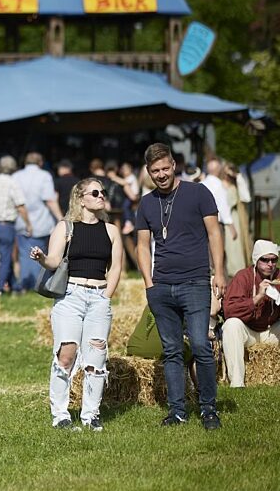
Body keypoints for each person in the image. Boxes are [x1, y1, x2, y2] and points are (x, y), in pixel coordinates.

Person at [135, 142, 225, 430]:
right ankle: (177, 411)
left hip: (196, 281)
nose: (160, 174)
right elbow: (141, 245)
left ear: (174, 165)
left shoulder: (198, 193)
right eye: (154, 171)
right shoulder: (147, 202)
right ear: (148, 172)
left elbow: (215, 234)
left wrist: (219, 273)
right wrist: (149, 283)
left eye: (164, 168)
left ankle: (209, 409)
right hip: (161, 286)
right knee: (172, 350)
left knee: (200, 344)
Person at [30, 179, 124, 431]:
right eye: (95, 192)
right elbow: (53, 262)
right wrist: (41, 258)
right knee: (66, 354)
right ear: (81, 199)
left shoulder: (112, 230)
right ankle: (60, 414)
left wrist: (107, 295)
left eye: (102, 192)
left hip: (98, 296)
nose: (101, 195)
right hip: (70, 296)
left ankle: (90, 414)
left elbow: (115, 267)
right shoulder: (66, 227)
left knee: (96, 358)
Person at [221, 240, 280, 388]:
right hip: (249, 332)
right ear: (256, 260)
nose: (270, 264)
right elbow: (229, 310)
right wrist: (258, 297)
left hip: (271, 331)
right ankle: (237, 383)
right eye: (265, 259)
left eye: (274, 260)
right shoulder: (243, 277)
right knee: (231, 325)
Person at [13, 152, 63, 295]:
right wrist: (60, 217)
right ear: (40, 163)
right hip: (41, 221)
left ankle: (23, 283)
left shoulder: (16, 176)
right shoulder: (44, 176)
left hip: (21, 220)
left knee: (24, 254)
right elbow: (50, 199)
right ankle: (36, 284)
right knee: (39, 254)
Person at [0, 156, 30, 294]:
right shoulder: (13, 183)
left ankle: (15, 286)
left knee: (3, 255)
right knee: (6, 258)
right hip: (6, 225)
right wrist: (28, 224)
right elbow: (20, 206)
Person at [201, 158, 241, 275]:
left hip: (202, 223)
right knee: (219, 253)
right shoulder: (219, 185)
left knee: (207, 252)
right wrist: (231, 225)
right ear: (218, 170)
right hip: (216, 223)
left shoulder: (201, 184)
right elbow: (223, 207)